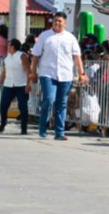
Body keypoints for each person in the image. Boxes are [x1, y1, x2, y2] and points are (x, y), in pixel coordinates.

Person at [30, 11, 86, 140]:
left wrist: (81, 73)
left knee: (62, 103)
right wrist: (33, 72)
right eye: (55, 20)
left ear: (65, 23)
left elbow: (77, 57)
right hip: (47, 73)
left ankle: (59, 132)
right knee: (49, 99)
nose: (57, 23)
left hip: (65, 75)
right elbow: (35, 56)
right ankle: (43, 127)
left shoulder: (70, 38)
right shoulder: (45, 36)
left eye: (60, 21)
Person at [0, 39, 30, 134]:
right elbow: (5, 70)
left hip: (21, 84)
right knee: (3, 105)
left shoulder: (22, 56)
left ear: (13, 47)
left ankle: (24, 128)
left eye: (9, 46)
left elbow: (28, 71)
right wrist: (1, 80)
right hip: (8, 84)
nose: (7, 47)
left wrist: (28, 84)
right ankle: (3, 122)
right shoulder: (8, 57)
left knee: (23, 107)